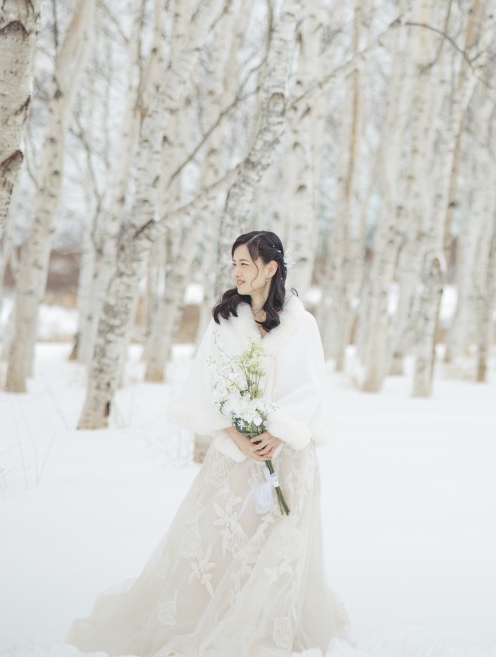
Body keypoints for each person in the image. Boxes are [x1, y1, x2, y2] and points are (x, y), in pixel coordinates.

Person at [67, 230, 348, 656]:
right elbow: (207, 386)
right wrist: (235, 431)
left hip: (286, 456)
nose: (236, 271)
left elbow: (311, 388)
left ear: (270, 269)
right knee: (217, 544)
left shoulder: (301, 325)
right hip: (235, 455)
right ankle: (205, 623)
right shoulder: (224, 322)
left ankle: (262, 632)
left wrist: (278, 432)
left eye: (245, 264)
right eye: (233, 263)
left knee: (279, 545)